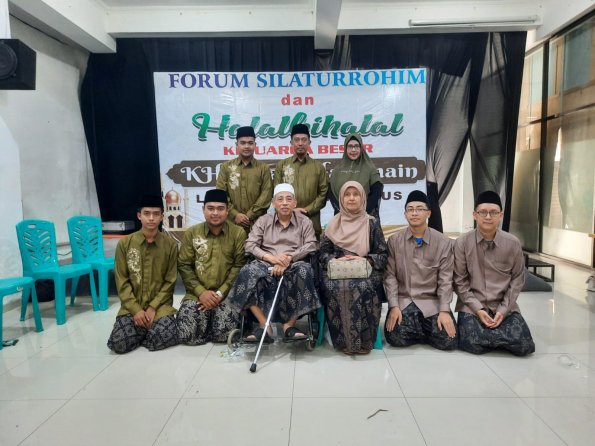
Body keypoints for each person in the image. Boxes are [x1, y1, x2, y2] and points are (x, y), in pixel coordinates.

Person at [227, 183, 321, 342]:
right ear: (273, 203)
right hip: (266, 263)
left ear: (295, 203)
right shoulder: (263, 220)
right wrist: (271, 259)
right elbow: (250, 245)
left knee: (305, 271)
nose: (284, 203)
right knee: (246, 272)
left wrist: (289, 258)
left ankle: (289, 326)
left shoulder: (304, 221)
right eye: (280, 199)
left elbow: (311, 244)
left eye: (288, 199)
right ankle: (265, 326)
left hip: (294, 264)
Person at [454, 190, 535, 356]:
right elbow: (459, 281)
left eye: (493, 212)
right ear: (475, 215)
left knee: (525, 345)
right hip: (472, 306)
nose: (488, 217)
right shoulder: (462, 243)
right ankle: (500, 338)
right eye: (483, 212)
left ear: (501, 216)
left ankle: (490, 336)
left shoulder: (512, 243)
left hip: (503, 306)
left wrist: (503, 311)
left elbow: (517, 280)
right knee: (472, 344)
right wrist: (478, 309)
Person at [319, 181, 388, 354]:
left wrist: (364, 259)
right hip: (338, 270)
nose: (351, 198)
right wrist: (336, 260)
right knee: (335, 286)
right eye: (347, 195)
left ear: (362, 198)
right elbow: (322, 254)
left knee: (362, 286)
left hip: (365, 270)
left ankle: (364, 341)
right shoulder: (333, 224)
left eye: (356, 194)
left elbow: (382, 254)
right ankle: (344, 342)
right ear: (341, 199)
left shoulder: (372, 223)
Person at [383, 190, 457, 350]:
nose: (414, 213)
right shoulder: (395, 241)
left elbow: (445, 279)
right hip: (405, 301)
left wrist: (444, 310)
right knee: (394, 336)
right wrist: (394, 306)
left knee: (449, 340)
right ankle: (423, 331)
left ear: (428, 213)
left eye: (419, 209)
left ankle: (419, 330)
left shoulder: (443, 242)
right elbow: (390, 276)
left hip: (432, 302)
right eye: (410, 209)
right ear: (405, 214)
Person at [107, 195, 178, 354]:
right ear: (139, 215)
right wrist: (136, 310)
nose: (151, 218)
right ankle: (143, 329)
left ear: (162, 217)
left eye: (156, 214)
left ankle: (143, 331)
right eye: (147, 213)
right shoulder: (125, 244)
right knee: (119, 344)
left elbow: (170, 281)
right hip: (132, 306)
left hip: (160, 307)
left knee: (162, 337)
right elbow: (122, 281)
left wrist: (153, 308)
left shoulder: (170, 245)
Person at [176, 189, 247, 345]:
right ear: (203, 210)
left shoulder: (238, 233)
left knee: (223, 335)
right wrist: (201, 292)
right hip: (197, 295)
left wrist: (220, 293)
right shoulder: (192, 233)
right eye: (210, 208)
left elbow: (239, 266)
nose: (215, 213)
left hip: (226, 295)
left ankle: (212, 321)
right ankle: (207, 320)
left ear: (227, 211)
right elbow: (184, 265)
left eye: (220, 209)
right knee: (186, 335)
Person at [274, 124, 328, 237]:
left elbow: (323, 194)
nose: (300, 143)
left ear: (309, 142)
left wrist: (306, 210)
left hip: (312, 223)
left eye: (304, 140)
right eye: (296, 140)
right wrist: (290, 210)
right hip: (286, 224)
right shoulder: (282, 165)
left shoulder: (318, 167)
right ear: (291, 142)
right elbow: (276, 193)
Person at [216, 126, 273, 234]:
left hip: (257, 224)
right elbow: (220, 194)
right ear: (236, 144)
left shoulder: (263, 168)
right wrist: (235, 215)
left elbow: (266, 195)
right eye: (242, 143)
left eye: (250, 143)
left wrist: (249, 216)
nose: (246, 146)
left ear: (255, 145)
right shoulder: (226, 167)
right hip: (231, 224)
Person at [328, 133, 383, 217]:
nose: (353, 150)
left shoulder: (370, 169)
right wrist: (342, 211)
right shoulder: (337, 170)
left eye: (357, 146)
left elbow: (377, 192)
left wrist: (362, 212)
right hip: (342, 217)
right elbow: (331, 193)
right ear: (345, 148)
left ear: (361, 148)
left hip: (364, 217)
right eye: (350, 146)